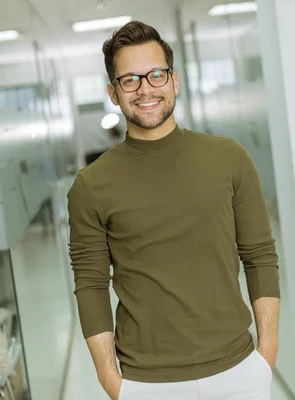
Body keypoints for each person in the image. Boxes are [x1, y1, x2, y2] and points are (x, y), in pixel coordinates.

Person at [67, 21, 280, 400]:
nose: (145, 88)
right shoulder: (91, 186)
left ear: (174, 81)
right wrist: (110, 380)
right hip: (146, 384)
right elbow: (91, 286)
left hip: (238, 371)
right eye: (129, 79)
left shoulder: (229, 159)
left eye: (156, 75)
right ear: (113, 93)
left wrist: (266, 355)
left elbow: (260, 256)